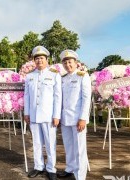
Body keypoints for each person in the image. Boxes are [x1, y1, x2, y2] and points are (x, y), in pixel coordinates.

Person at [24, 46, 62, 180]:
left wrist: (57, 115)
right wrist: (26, 113)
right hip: (33, 115)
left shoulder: (54, 75)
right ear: (34, 60)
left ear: (47, 59)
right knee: (37, 142)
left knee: (50, 143)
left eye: (42, 58)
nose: (39, 61)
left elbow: (58, 97)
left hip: (49, 116)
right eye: (37, 58)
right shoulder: (29, 76)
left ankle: (51, 168)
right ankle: (38, 166)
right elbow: (27, 96)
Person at [57, 50, 91, 180]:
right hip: (66, 118)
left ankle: (80, 175)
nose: (67, 64)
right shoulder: (63, 78)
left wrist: (83, 118)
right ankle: (70, 168)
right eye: (65, 62)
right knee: (68, 145)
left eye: (70, 62)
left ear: (76, 63)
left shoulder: (83, 76)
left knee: (80, 148)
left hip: (78, 119)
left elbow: (86, 98)